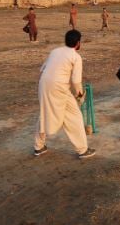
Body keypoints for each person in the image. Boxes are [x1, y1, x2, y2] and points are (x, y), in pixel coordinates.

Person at [34, 29, 96, 159]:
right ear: (78, 43)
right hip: (59, 88)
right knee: (75, 116)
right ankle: (82, 150)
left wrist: (41, 86)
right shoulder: (75, 57)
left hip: (43, 84)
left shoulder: (55, 51)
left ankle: (38, 147)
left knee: (45, 114)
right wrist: (80, 96)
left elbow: (42, 70)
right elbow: (75, 81)